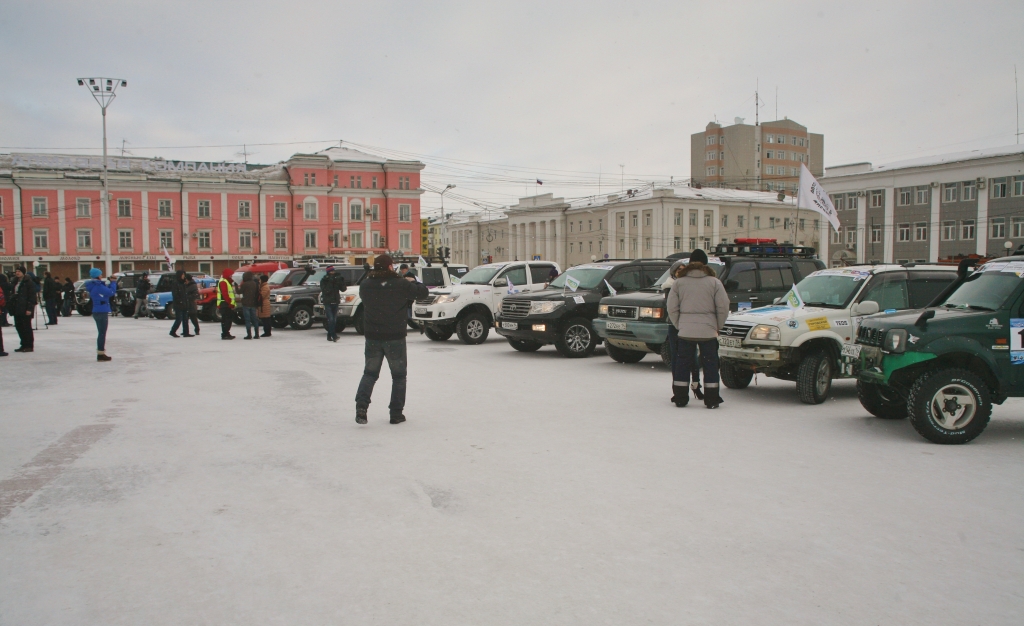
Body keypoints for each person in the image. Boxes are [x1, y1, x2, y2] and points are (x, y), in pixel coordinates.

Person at [354, 254, 429, 425]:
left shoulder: (366, 285)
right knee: (399, 376)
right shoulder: (400, 284)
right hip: (395, 336)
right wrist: (413, 281)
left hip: (373, 336)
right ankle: (396, 413)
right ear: (389, 267)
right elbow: (423, 293)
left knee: (370, 373)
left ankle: (361, 407)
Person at [666, 248, 729, 409]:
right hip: (708, 331)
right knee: (710, 364)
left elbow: (671, 308)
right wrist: (717, 326)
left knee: (682, 364)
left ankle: (680, 397)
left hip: (685, 331)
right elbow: (723, 306)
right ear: (706, 264)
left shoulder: (679, 283)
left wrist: (680, 325)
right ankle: (712, 399)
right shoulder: (714, 282)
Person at [662, 259, 706, 401]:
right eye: (678, 269)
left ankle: (696, 385)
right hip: (675, 326)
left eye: (683, 269)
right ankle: (678, 390)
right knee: (677, 359)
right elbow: (672, 308)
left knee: (693, 357)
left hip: (689, 325)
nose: (680, 271)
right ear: (674, 272)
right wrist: (678, 323)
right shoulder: (670, 285)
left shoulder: (690, 284)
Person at [84, 268, 117, 361]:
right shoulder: (98, 286)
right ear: (97, 276)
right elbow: (110, 292)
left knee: (101, 332)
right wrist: (113, 283)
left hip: (97, 310)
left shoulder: (94, 285)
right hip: (101, 311)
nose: (102, 276)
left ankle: (101, 353)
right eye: (101, 275)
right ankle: (100, 354)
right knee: (102, 333)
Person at [10, 267, 36, 353]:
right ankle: (23, 344)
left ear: (23, 273)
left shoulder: (28, 282)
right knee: (19, 326)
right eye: (16, 271)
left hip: (25, 307)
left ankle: (29, 345)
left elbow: (32, 296)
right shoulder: (14, 282)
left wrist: (29, 308)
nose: (17, 273)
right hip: (17, 307)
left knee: (26, 327)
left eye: (19, 271)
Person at [320, 266, 347, 342]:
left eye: (333, 271)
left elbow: (343, 289)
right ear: (328, 272)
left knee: (334, 320)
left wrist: (341, 282)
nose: (333, 273)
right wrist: (330, 282)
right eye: (331, 272)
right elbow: (325, 291)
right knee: (331, 319)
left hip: (335, 301)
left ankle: (329, 335)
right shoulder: (324, 280)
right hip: (328, 302)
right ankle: (334, 336)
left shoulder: (336, 280)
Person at [169, 270, 193, 338]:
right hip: (178, 304)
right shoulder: (175, 283)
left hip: (184, 303)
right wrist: (180, 301)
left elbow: (185, 293)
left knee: (185, 319)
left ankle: (186, 332)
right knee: (179, 319)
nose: (183, 276)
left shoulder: (183, 283)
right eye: (182, 274)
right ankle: (172, 331)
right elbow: (175, 294)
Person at [238, 271, 260, 340]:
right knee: (255, 320)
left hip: (246, 304)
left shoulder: (245, 284)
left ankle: (249, 334)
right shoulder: (255, 284)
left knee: (247, 320)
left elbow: (239, 292)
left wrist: (236, 286)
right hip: (253, 304)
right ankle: (257, 334)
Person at [217, 269, 237, 340]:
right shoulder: (223, 282)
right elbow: (225, 293)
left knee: (226, 319)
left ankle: (226, 333)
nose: (231, 276)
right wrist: (230, 302)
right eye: (230, 275)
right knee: (226, 320)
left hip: (225, 304)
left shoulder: (226, 281)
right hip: (225, 304)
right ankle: (225, 333)